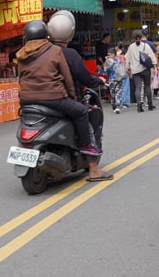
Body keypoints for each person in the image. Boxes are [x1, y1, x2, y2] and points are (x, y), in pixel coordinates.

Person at [15, 20, 102, 159]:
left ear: (25, 38)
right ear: (46, 36)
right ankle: (85, 145)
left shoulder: (21, 54)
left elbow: (20, 78)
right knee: (81, 111)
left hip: (26, 100)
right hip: (53, 98)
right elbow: (67, 77)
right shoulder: (55, 50)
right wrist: (72, 97)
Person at [45, 10, 111, 180]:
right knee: (85, 119)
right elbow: (85, 78)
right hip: (64, 99)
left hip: (38, 100)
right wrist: (99, 81)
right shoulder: (69, 54)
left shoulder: (41, 51)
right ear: (71, 32)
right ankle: (93, 169)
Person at [124, 30, 156, 113]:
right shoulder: (146, 46)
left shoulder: (130, 47)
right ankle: (150, 104)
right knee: (147, 86)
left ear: (133, 38)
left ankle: (139, 106)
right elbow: (152, 57)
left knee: (138, 88)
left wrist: (128, 69)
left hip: (135, 70)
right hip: (145, 69)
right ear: (141, 37)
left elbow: (127, 59)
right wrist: (155, 66)